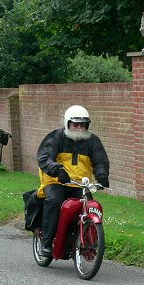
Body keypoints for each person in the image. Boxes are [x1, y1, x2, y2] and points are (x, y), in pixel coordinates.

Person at [36, 105, 109, 257]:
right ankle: (47, 243)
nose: (79, 128)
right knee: (55, 201)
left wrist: (102, 176)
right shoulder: (56, 137)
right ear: (67, 123)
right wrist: (58, 170)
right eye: (75, 124)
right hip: (56, 181)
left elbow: (100, 161)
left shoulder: (93, 141)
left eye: (83, 125)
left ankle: (86, 242)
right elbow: (44, 157)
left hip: (80, 184)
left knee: (88, 207)